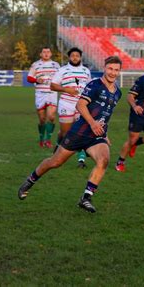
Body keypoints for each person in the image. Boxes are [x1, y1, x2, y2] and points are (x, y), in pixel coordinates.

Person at [18, 56, 123, 213]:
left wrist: (104, 132)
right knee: (55, 162)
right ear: (104, 68)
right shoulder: (95, 85)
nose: (113, 73)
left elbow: (105, 114)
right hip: (79, 132)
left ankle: (86, 198)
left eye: (116, 70)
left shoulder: (118, 92)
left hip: (95, 136)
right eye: (110, 69)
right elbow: (80, 105)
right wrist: (93, 123)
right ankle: (30, 180)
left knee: (104, 159)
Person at [51, 47, 92, 169]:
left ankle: (81, 159)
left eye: (77, 55)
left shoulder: (86, 71)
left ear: (80, 57)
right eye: (72, 55)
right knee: (65, 133)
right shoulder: (63, 70)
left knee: (81, 132)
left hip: (81, 105)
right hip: (66, 104)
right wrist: (66, 89)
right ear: (69, 57)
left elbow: (89, 87)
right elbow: (53, 86)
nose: (75, 57)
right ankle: (59, 143)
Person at [27, 46, 60, 148]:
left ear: (50, 54)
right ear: (40, 54)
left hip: (52, 93)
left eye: (48, 52)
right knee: (42, 119)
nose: (46, 53)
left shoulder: (56, 65)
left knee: (51, 117)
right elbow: (29, 78)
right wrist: (37, 80)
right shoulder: (36, 65)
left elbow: (61, 77)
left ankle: (48, 140)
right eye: (44, 52)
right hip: (40, 94)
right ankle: (41, 138)